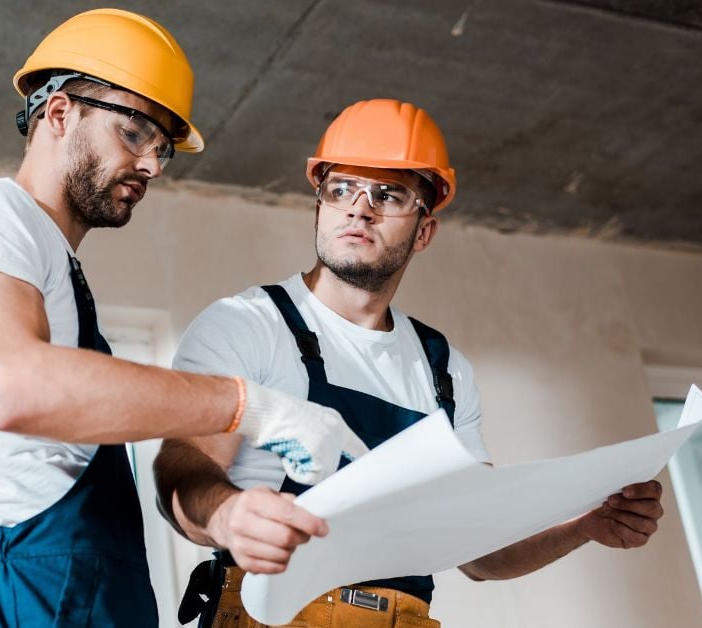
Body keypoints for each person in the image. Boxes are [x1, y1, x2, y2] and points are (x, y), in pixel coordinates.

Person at [0, 9, 371, 627]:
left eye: (163, 147)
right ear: (59, 114)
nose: (153, 165)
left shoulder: (43, 262)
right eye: (136, 132)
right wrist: (252, 407)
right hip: (48, 597)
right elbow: (12, 387)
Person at [153, 98, 665, 628]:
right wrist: (228, 515)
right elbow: (182, 468)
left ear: (424, 231)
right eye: (341, 189)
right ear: (319, 207)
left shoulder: (444, 371)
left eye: (389, 194)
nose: (359, 207)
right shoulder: (249, 324)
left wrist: (587, 525)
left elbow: (480, 553)